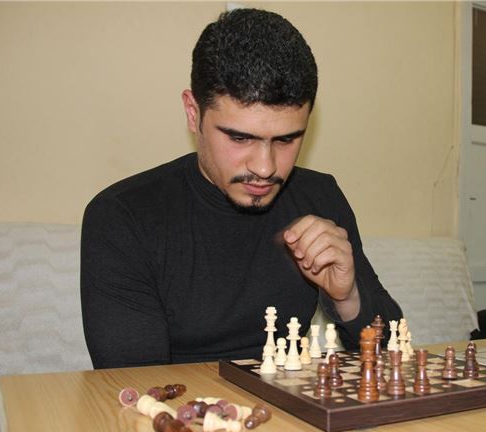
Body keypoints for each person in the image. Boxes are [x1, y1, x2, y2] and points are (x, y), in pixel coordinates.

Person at [80, 8, 403, 369]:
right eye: (239, 137)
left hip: (290, 400)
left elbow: (394, 356)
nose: (265, 168)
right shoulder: (123, 217)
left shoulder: (320, 197)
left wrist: (347, 298)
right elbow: (136, 385)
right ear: (193, 113)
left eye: (286, 139)